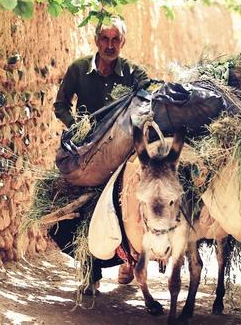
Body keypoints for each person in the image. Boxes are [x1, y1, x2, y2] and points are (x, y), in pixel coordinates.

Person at [51, 17, 149, 293]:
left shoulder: (133, 72)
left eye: (115, 39)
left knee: (130, 206)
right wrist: (77, 127)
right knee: (80, 211)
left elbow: (147, 98)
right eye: (104, 39)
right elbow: (60, 105)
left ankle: (128, 259)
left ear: (123, 42)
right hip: (86, 155)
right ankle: (89, 274)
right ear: (96, 41)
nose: (109, 45)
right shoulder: (79, 70)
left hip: (123, 155)